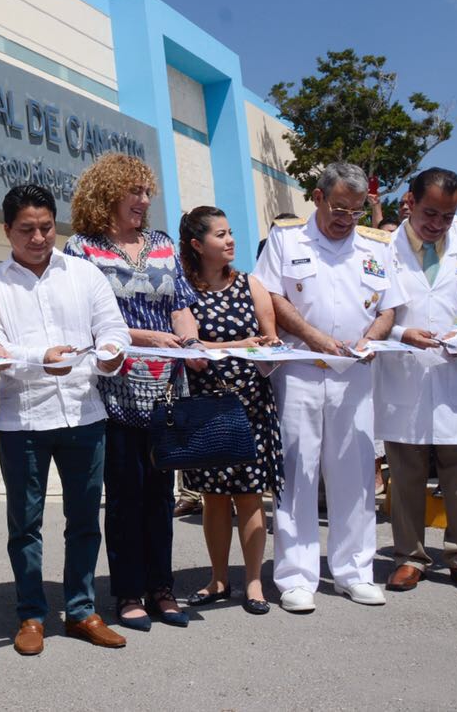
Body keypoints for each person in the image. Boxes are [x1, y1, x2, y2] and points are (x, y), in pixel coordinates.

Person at [253, 161, 405, 613]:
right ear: (317, 198)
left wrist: (370, 339)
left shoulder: (375, 246)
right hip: (300, 368)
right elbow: (271, 295)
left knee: (355, 472)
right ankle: (296, 576)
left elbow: (389, 307)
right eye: (339, 207)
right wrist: (317, 338)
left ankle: (354, 571)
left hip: (354, 373)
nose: (346, 218)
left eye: (356, 211)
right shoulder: (286, 239)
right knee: (297, 471)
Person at [0, 184, 130, 656]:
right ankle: (30, 614)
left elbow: (112, 330)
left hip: (84, 413)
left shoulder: (84, 275)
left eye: (46, 227)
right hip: (23, 421)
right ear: (7, 230)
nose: (38, 237)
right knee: (25, 524)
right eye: (26, 229)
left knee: (85, 519)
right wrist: (39, 359)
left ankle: (83, 609)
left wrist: (111, 354)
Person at [63, 153, 204, 632]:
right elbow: (82, 317)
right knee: (125, 496)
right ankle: (126, 592)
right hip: (114, 386)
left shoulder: (163, 244)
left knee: (161, 495)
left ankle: (162, 588)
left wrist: (191, 342)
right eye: (135, 191)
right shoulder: (82, 249)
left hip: (165, 386)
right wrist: (146, 338)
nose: (144, 201)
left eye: (148, 192)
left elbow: (181, 305)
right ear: (108, 194)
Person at [376, 168, 457, 596]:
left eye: (447, 217)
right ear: (409, 202)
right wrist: (399, 334)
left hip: (456, 374)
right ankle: (409, 557)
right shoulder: (381, 253)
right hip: (404, 376)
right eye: (430, 213)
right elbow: (365, 313)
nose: (437, 224)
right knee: (407, 474)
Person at [176, 206, 284, 616]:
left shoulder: (250, 285)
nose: (230, 240)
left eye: (231, 231)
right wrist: (242, 344)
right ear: (197, 244)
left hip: (250, 405)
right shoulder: (185, 290)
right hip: (206, 406)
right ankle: (218, 578)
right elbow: (193, 347)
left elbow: (270, 340)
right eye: (220, 235)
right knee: (213, 498)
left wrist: (244, 346)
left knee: (250, 496)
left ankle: (254, 582)